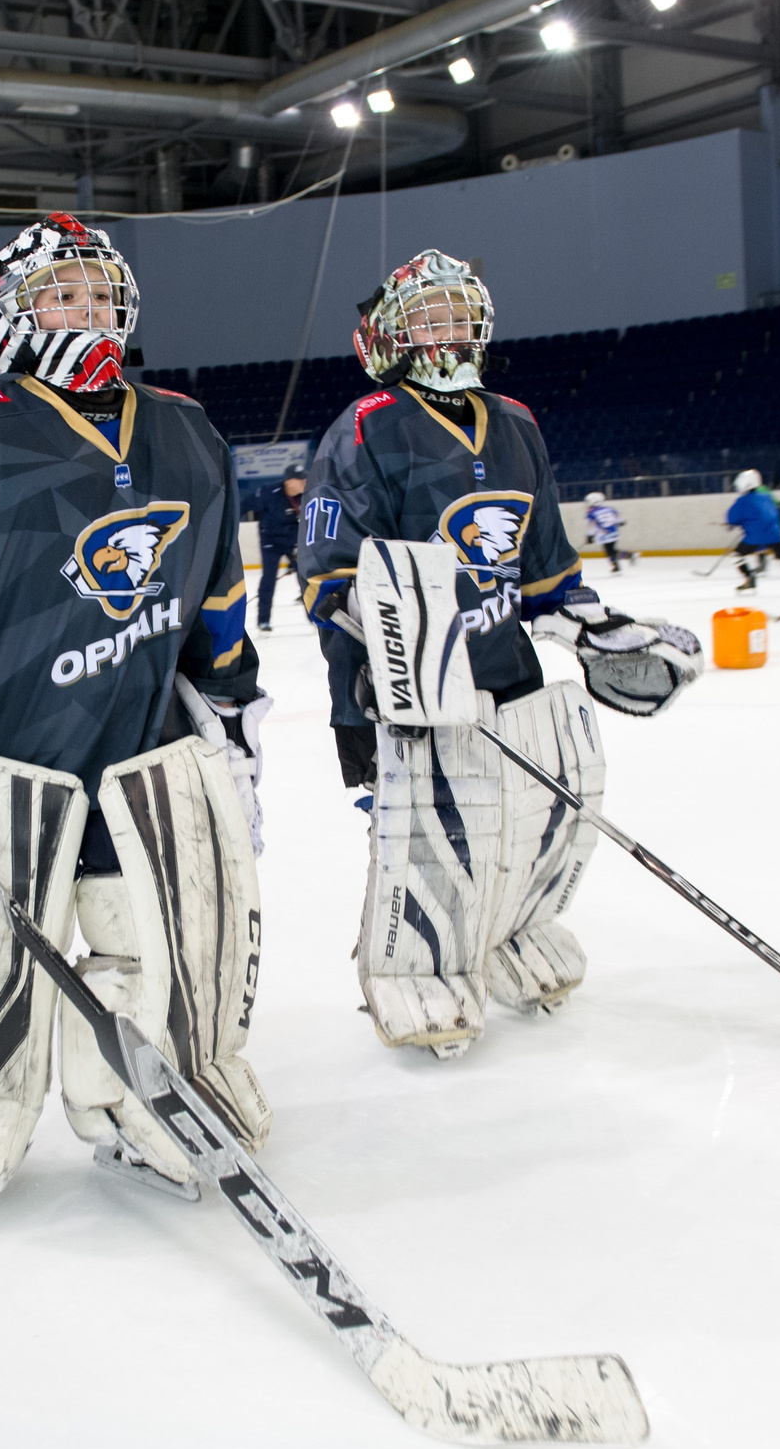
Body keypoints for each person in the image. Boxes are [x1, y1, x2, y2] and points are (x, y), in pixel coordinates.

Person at [0, 212, 270, 1206]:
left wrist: (234, 707)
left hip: (141, 751)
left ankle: (151, 1105)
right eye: (59, 294)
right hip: (7, 757)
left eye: (97, 293)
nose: (86, 310)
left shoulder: (183, 423)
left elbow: (217, 590)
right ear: (2, 316)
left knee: (156, 943)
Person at [295, 248, 700, 1057]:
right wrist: (389, 640)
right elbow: (328, 571)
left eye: (456, 314)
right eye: (426, 318)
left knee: (532, 818)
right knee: (427, 830)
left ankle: (509, 936)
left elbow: (545, 561)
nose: (446, 332)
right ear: (387, 339)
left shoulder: (515, 423)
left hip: (507, 670)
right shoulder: (365, 428)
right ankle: (417, 971)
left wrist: (589, 626)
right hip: (400, 679)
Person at [726, 468, 780, 592]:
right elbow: (771, 513)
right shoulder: (767, 496)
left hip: (754, 537)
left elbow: (733, 518)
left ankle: (750, 578)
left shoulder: (742, 501)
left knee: (737, 556)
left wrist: (736, 524)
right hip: (775, 534)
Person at [247, 469, 304, 628]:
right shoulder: (269, 492)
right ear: (289, 481)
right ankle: (263, 620)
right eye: (300, 480)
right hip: (270, 544)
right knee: (268, 580)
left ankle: (314, 617)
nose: (304, 483)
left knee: (305, 577)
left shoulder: (304, 496)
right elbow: (243, 505)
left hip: (292, 544)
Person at [582, 492, 635, 573]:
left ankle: (628, 556)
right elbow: (620, 520)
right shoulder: (610, 509)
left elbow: (592, 525)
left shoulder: (591, 513)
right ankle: (617, 565)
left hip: (604, 534)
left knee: (610, 551)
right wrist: (621, 521)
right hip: (614, 532)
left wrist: (590, 536)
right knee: (611, 549)